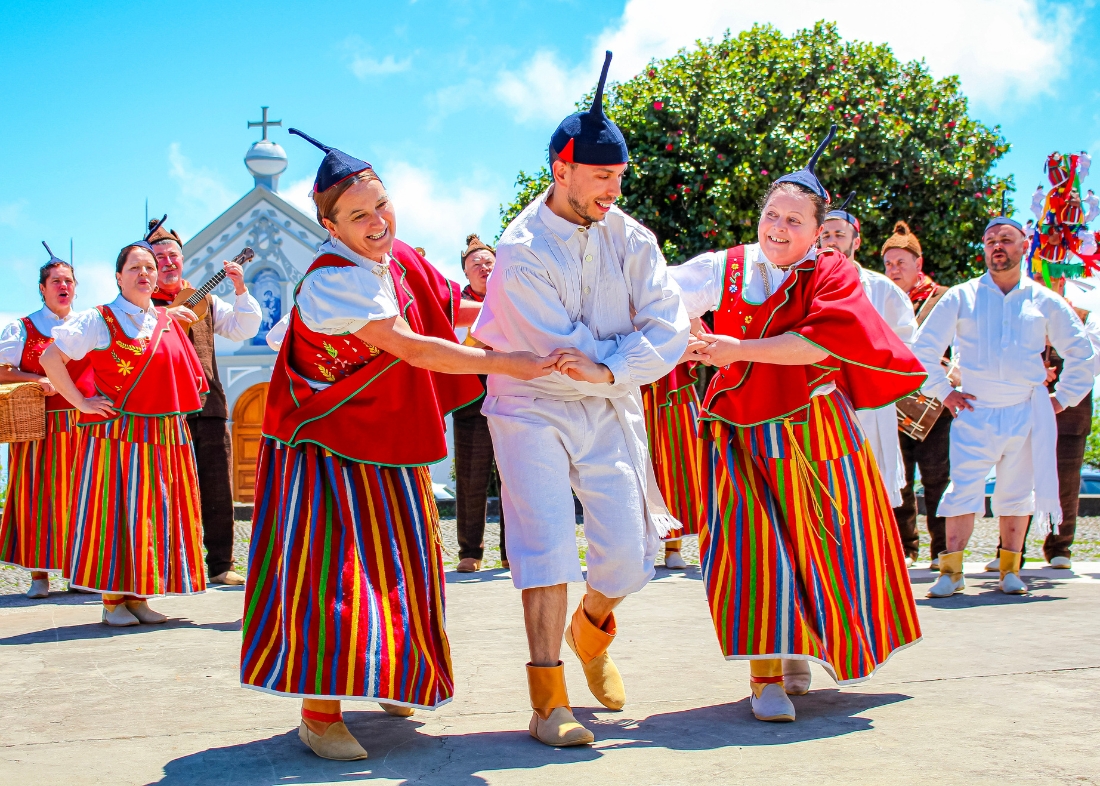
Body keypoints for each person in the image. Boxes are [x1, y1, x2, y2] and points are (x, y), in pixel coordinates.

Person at [240, 128, 558, 762]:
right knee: (327, 583)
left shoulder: (402, 258)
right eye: (358, 215)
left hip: (388, 446)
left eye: (381, 205)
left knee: (402, 574)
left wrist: (538, 312)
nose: (377, 222)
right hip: (323, 456)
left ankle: (388, 674)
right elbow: (415, 346)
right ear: (330, 226)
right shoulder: (334, 282)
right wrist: (514, 362)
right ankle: (319, 712)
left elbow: (455, 312)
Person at [670, 126, 925, 724]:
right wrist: (681, 343)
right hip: (737, 429)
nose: (778, 228)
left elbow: (818, 343)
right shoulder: (723, 268)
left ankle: (802, 650)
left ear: (818, 232)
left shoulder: (835, 273)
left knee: (828, 548)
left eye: (794, 220)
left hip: (817, 430)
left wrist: (735, 349)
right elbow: (659, 304)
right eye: (771, 215)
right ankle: (766, 679)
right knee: (752, 549)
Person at [472, 51, 692, 747]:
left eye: (618, 178)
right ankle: (548, 700)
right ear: (560, 169)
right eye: (601, 177)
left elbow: (672, 328)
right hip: (529, 401)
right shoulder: (518, 250)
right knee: (544, 550)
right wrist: (620, 360)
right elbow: (549, 352)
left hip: (606, 401)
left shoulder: (636, 239)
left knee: (630, 554)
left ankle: (590, 633)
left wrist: (610, 369)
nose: (611, 191)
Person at [912, 210, 1094, 597]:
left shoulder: (1044, 300)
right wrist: (944, 392)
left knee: (1016, 492)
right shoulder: (963, 296)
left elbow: (1082, 353)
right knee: (962, 489)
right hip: (974, 408)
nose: (998, 246)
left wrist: (1062, 399)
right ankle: (951, 571)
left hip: (1025, 410)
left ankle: (1010, 568)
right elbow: (923, 349)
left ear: (1024, 246)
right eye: (991, 240)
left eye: (1006, 239)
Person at [40, 223, 209, 626]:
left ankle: (139, 596)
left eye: (150, 267)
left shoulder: (166, 319)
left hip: (165, 433)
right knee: (116, 513)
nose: (145, 274)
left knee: (154, 514)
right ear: (119, 276)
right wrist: (80, 401)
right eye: (135, 268)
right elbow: (50, 358)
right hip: (118, 434)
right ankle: (112, 600)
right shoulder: (99, 319)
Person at [147, 219, 262, 586]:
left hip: (207, 403)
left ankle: (221, 565)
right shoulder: (139, 305)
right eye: (158, 257)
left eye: (173, 256)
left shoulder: (206, 300)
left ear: (183, 260)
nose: (167, 263)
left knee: (216, 485)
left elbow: (244, 328)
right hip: (160, 409)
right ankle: (168, 567)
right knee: (163, 489)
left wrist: (240, 287)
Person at [818, 195, 917, 536]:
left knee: (870, 485)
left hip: (868, 403)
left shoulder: (883, 290)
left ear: (855, 241)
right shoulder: (803, 282)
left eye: (839, 235)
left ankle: (873, 560)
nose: (832, 242)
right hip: (818, 398)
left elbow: (906, 342)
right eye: (826, 235)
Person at [0, 244, 93, 598]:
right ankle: (39, 576)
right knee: (36, 497)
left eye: (68, 280)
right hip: (38, 424)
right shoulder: (22, 327)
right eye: (55, 281)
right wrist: (35, 379)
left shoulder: (88, 325)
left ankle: (79, 573)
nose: (62, 286)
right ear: (42, 288)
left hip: (81, 424)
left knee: (82, 496)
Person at [882, 223, 953, 569]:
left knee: (938, 478)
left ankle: (942, 551)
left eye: (901, 262)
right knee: (900, 479)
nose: (894, 269)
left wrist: (950, 365)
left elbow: (960, 346)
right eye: (889, 263)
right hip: (893, 400)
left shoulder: (943, 298)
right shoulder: (879, 298)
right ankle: (905, 549)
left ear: (918, 263)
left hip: (936, 404)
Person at [452, 233, 508, 572]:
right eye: (476, 264)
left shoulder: (512, 299)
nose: (483, 267)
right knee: (471, 479)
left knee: (512, 477)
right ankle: (469, 551)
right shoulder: (455, 306)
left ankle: (511, 551)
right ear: (466, 273)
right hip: (470, 398)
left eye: (488, 262)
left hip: (511, 395)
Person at [642, 354, 708, 569]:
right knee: (636, 467)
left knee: (678, 463)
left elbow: (703, 348)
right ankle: (641, 547)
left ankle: (674, 548)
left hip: (675, 391)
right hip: (635, 387)